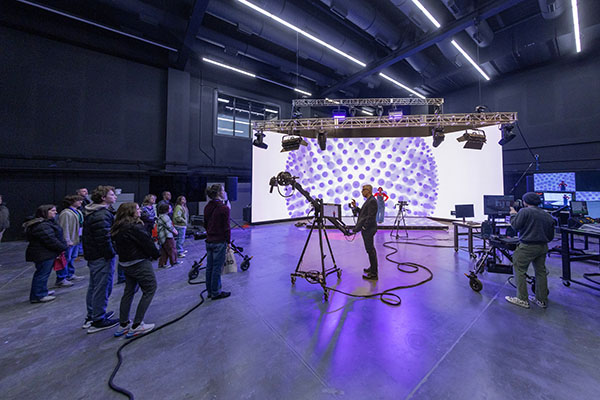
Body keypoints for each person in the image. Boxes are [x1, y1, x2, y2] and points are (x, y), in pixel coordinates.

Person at [111, 203, 160, 338]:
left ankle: (124, 323)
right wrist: (156, 254)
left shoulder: (118, 227)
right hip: (139, 262)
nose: (139, 211)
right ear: (131, 212)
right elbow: (147, 243)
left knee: (129, 291)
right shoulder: (134, 227)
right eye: (137, 209)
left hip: (126, 263)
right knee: (150, 288)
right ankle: (137, 325)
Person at [505, 192, 555, 309]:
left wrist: (513, 214)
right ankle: (541, 299)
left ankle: (522, 299)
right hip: (543, 247)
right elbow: (551, 235)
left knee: (519, 269)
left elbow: (516, 226)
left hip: (527, 247)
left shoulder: (525, 211)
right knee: (541, 272)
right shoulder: (546, 214)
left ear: (525, 202)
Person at [82, 185, 119, 333]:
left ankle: (93, 315)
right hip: (101, 256)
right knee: (101, 287)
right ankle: (98, 320)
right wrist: (111, 254)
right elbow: (104, 239)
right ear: (103, 198)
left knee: (94, 286)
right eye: (112, 194)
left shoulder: (94, 212)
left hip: (94, 255)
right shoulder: (102, 215)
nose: (115, 197)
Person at [24, 205, 67, 303]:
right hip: (43, 253)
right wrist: (62, 247)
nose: (55, 212)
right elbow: (50, 240)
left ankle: (42, 291)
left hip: (45, 253)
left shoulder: (46, 223)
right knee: (42, 274)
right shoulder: (42, 226)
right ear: (44, 212)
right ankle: (38, 295)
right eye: (52, 211)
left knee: (44, 274)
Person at [204, 184, 231, 300]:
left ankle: (210, 291)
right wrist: (228, 242)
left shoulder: (207, 207)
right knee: (217, 269)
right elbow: (226, 227)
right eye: (223, 190)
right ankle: (216, 292)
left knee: (209, 267)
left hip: (209, 240)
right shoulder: (224, 208)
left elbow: (205, 224)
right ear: (219, 193)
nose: (225, 192)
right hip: (219, 242)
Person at [349, 184, 379, 280]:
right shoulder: (369, 201)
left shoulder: (372, 201)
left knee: (370, 250)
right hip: (368, 229)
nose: (362, 192)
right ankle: (372, 268)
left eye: (363, 190)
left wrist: (364, 227)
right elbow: (363, 213)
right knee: (370, 250)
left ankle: (374, 274)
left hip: (369, 229)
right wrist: (355, 207)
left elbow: (370, 216)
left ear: (368, 191)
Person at [56, 195, 85, 287]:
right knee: (65, 259)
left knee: (72, 258)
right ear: (71, 202)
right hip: (70, 239)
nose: (81, 202)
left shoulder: (78, 211)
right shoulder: (66, 213)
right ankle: (61, 278)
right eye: (78, 200)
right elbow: (64, 228)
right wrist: (67, 240)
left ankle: (70, 274)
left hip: (77, 238)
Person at [156, 203, 179, 268]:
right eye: (170, 208)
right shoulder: (165, 217)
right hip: (167, 236)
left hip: (162, 237)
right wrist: (175, 232)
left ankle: (162, 264)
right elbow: (169, 226)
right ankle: (174, 261)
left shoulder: (161, 216)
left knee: (164, 251)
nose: (171, 209)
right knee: (172, 249)